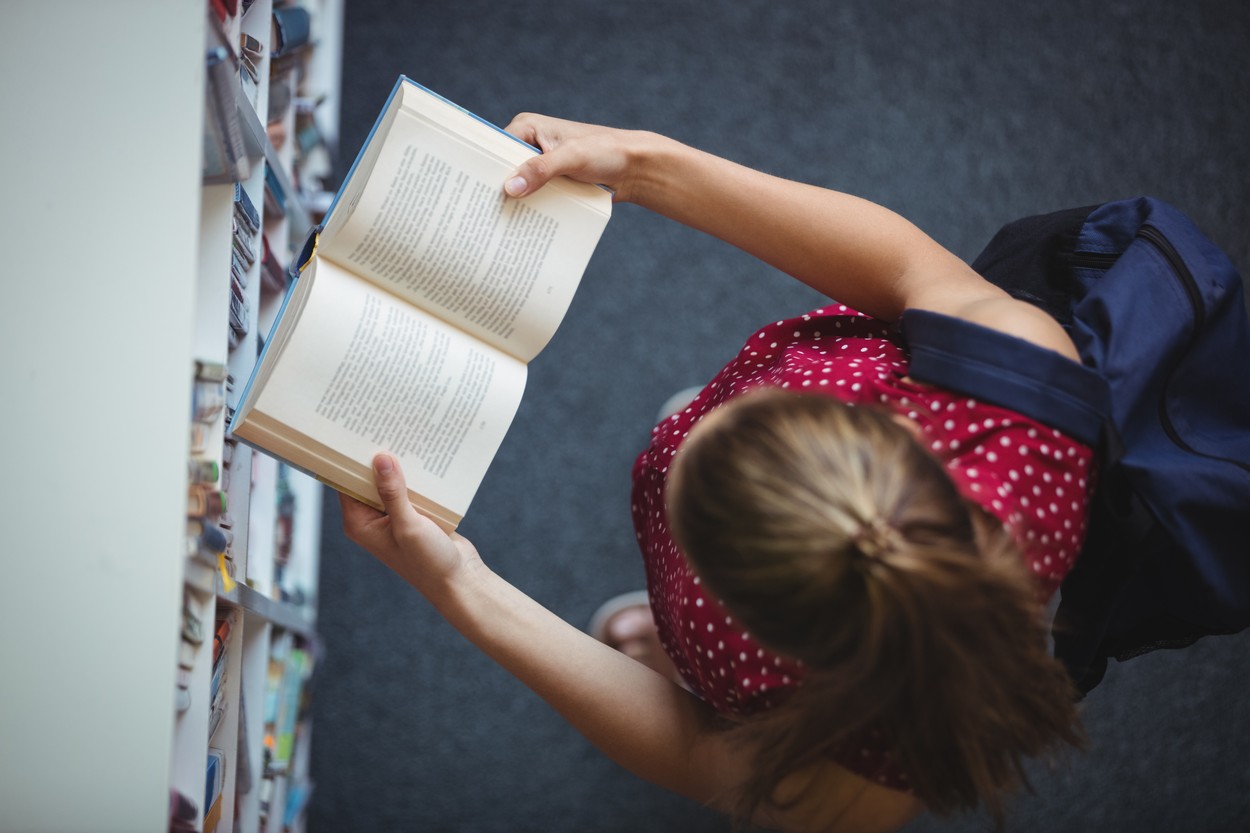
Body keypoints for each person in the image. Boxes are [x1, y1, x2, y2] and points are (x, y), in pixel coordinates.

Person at [340, 114, 1092, 832]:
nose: (685, 423)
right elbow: (904, 267)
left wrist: (459, 582)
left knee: (693, 672)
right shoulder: (1021, 375)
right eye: (765, 405)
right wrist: (641, 167)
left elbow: (702, 751)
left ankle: (677, 655)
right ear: (896, 427)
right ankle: (671, 638)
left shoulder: (862, 790)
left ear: (752, 618)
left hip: (733, 646)